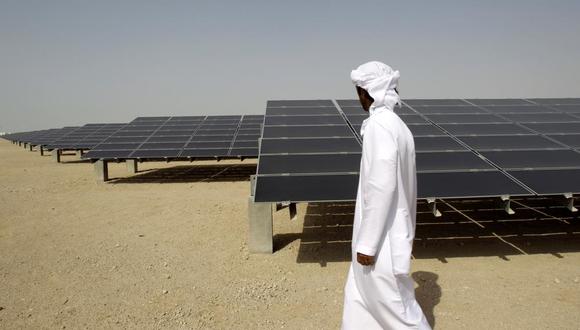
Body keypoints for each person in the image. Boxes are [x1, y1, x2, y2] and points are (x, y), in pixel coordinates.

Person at [341, 61, 431, 330]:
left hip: (383, 242)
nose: (358, 96)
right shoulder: (397, 125)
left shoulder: (380, 127)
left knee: (399, 313)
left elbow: (382, 186)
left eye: (359, 90)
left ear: (368, 91)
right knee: (360, 302)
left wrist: (367, 245)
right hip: (383, 235)